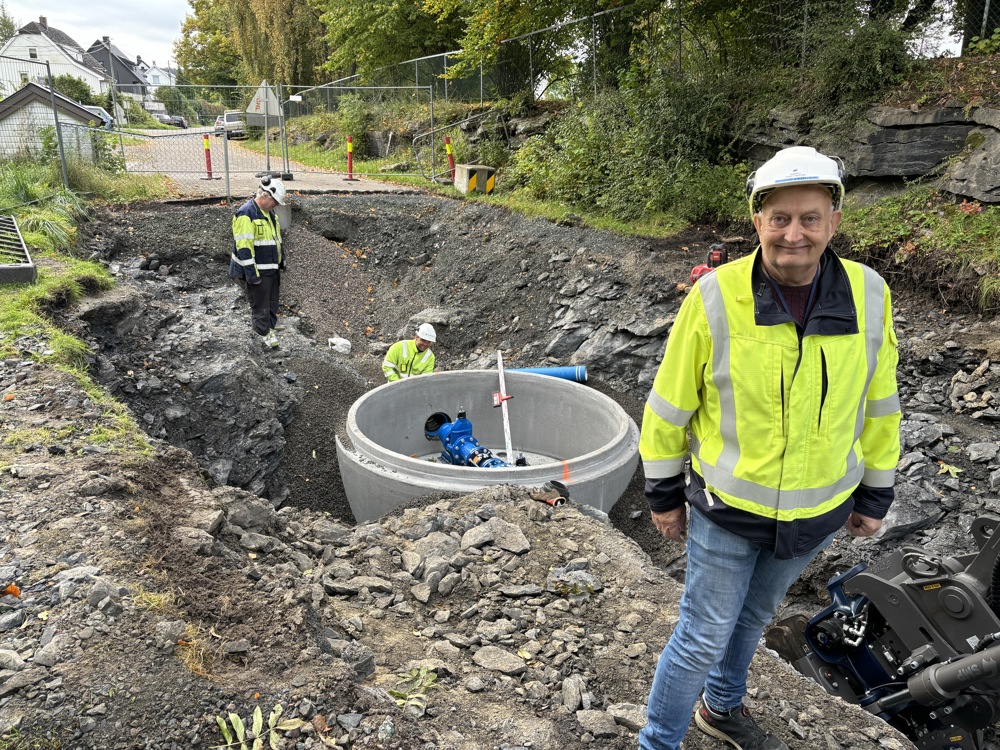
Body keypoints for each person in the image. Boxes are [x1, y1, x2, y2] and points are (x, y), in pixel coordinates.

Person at [637, 146, 901, 750]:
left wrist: (876, 493)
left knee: (754, 619)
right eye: (779, 217)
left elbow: (879, 405)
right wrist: (663, 494)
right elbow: (668, 407)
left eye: (810, 217)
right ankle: (658, 741)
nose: (794, 233)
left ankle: (721, 708)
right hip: (728, 511)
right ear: (757, 222)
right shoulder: (714, 298)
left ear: (834, 221)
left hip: (815, 515)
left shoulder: (870, 294)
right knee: (703, 634)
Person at [229, 177, 286, 349]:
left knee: (272, 305)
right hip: (258, 271)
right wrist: (252, 275)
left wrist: (280, 263)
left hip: (271, 269)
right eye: (275, 201)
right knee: (260, 307)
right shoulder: (246, 214)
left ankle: (269, 333)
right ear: (265, 195)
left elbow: (275, 240)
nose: (276, 205)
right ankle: (262, 341)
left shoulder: (269, 214)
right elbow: (244, 248)